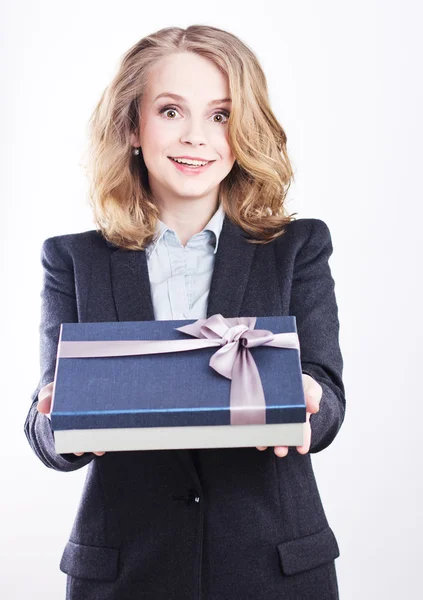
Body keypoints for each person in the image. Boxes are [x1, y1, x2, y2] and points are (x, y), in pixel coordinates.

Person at [24, 25, 346, 600]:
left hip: (273, 567)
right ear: (132, 127)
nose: (197, 136)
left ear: (243, 130)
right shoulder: (73, 260)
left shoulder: (297, 247)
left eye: (221, 115)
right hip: (126, 571)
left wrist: (306, 404)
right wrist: (60, 422)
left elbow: (327, 395)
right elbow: (45, 423)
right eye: (171, 111)